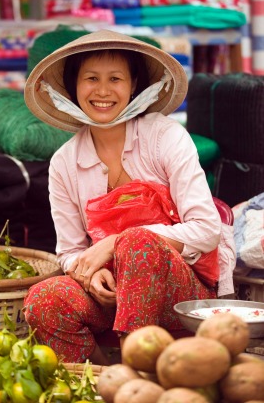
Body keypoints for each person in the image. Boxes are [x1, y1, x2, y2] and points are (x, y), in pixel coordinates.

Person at [23, 29, 236, 365]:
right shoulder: (64, 162)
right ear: (74, 87)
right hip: (109, 295)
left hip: (181, 290)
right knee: (43, 299)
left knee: (138, 242)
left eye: (116, 79)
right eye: (91, 78)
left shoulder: (164, 137)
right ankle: (98, 381)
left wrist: (116, 242)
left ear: (134, 85)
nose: (103, 91)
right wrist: (90, 276)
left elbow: (207, 229)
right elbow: (69, 252)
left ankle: (136, 374)